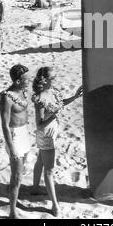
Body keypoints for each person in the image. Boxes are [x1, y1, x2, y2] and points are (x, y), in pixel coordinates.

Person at [31, 67, 82, 216]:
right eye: (53, 78)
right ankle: (54, 206)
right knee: (49, 170)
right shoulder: (39, 99)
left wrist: (74, 97)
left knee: (41, 160)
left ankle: (34, 188)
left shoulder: (53, 92)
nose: (56, 80)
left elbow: (60, 104)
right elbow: (39, 124)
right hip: (46, 134)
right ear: (45, 80)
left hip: (53, 132)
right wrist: (53, 116)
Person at [0, 64, 31, 219]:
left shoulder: (23, 92)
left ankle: (14, 201)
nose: (29, 81)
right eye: (26, 79)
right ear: (18, 81)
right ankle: (12, 212)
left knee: (21, 172)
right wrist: (11, 148)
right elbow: (4, 124)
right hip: (15, 137)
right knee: (16, 176)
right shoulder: (7, 97)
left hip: (24, 133)